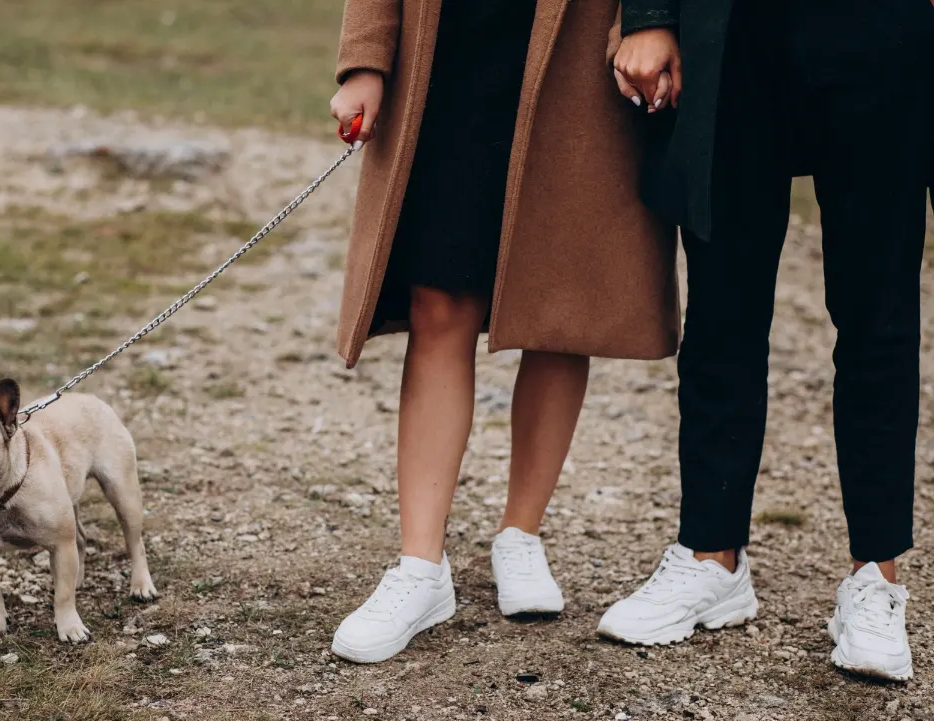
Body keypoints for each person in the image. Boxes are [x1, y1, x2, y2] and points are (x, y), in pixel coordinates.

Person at [326, 0, 679, 664]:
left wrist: (651, 20)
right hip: (450, 45)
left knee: (558, 307)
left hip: (582, 52)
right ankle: (420, 567)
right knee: (438, 301)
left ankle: (521, 533)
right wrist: (366, 59)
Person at [601, 0, 933, 681]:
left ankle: (875, 578)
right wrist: (651, 14)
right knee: (723, 305)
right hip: (731, 28)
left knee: (879, 310)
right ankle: (710, 556)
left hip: (881, 29)